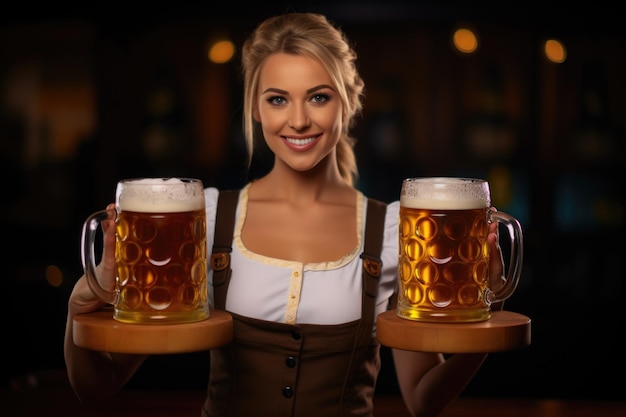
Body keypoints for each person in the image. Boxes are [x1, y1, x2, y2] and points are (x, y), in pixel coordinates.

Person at [64, 12, 506, 417]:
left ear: (349, 102)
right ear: (255, 108)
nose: (298, 120)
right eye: (278, 100)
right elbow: (97, 387)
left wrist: (485, 316)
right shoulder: (206, 219)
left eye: (318, 97)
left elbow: (423, 399)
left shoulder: (393, 230)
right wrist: (80, 306)